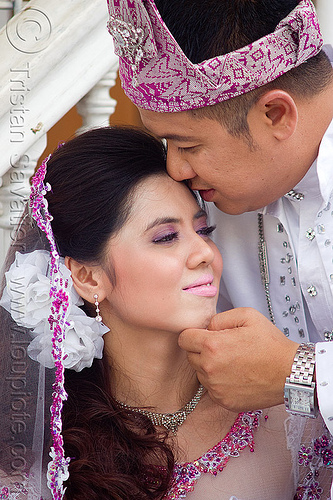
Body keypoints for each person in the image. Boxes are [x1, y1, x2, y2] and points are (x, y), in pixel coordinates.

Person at [0, 126, 332, 500]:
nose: (205, 253)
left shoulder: (290, 423)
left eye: (205, 231)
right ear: (87, 276)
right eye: (165, 238)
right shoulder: (44, 451)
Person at [106, 0, 333, 452]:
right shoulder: (210, 206)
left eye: (187, 143)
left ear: (275, 115)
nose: (174, 169)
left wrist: (299, 373)